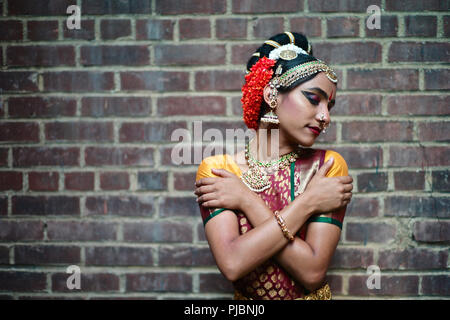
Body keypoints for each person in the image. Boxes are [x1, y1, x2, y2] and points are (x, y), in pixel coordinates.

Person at [194, 32, 353, 300]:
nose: (325, 116)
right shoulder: (219, 169)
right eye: (314, 99)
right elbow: (233, 264)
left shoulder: (328, 167)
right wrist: (309, 202)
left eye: (330, 105)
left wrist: (245, 199)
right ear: (271, 95)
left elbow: (312, 272)